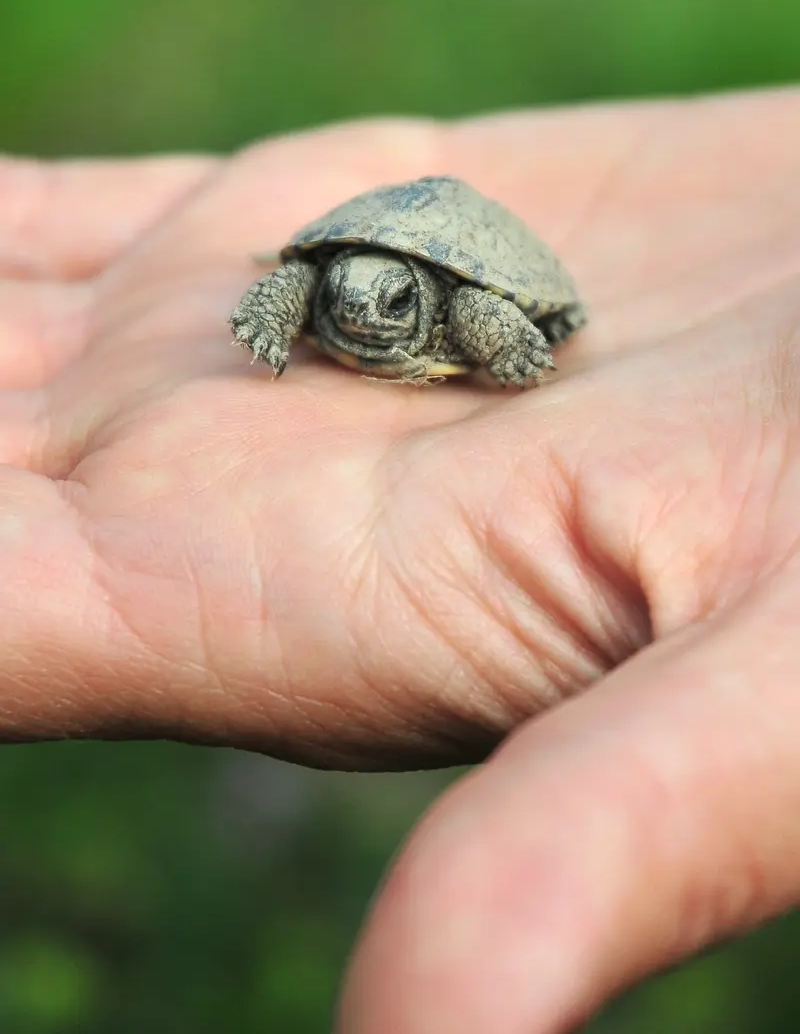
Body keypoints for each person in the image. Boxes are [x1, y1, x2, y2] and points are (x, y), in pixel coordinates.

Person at [0, 87, 797, 1033]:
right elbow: (292, 279)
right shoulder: (323, 283)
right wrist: (275, 310)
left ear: (419, 298)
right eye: (344, 295)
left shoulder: (459, 305)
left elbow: (514, 329)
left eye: (384, 301)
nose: (361, 312)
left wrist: (513, 340)